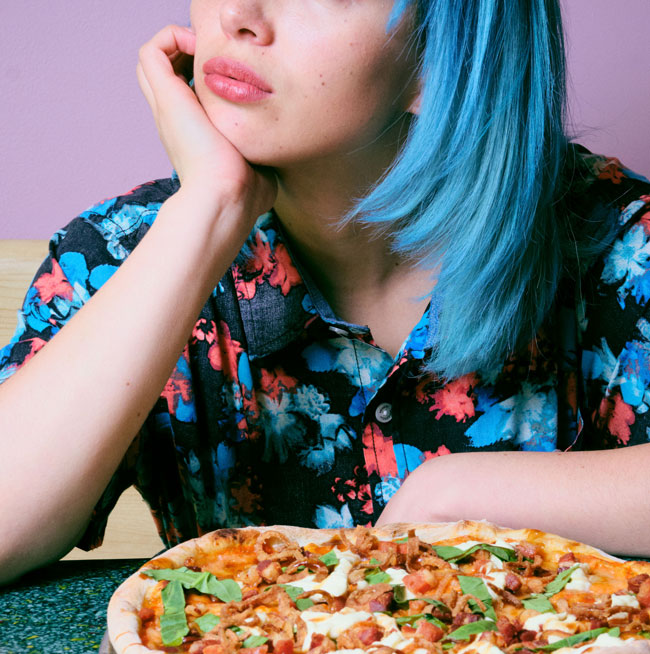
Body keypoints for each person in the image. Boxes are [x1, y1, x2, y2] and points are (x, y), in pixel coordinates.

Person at [1, 0, 649, 586]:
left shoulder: (614, 242)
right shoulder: (125, 253)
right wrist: (208, 209)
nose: (238, 14)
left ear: (437, 56)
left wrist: (472, 495)